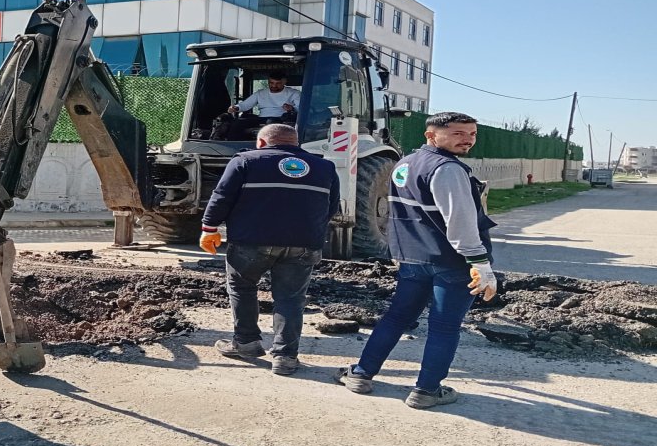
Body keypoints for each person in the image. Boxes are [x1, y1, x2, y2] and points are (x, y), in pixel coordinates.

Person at [336, 111, 499, 409]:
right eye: (458, 133)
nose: (467, 140)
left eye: (472, 134)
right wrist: (480, 263)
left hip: (413, 258)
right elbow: (460, 222)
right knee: (444, 327)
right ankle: (426, 391)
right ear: (431, 135)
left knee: (396, 317)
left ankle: (361, 374)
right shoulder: (448, 169)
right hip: (451, 262)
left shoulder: (405, 164)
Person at [199, 124, 339, 375]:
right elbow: (331, 207)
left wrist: (209, 228)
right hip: (304, 244)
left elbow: (222, 196)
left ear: (262, 143)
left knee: (242, 287)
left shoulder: (245, 161)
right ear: (295, 143)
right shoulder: (324, 167)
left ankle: (246, 343)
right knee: (291, 298)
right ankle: (285, 357)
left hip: (251, 242)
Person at [210, 71, 301, 140]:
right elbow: (246, 104)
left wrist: (292, 108)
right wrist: (237, 108)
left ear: (284, 82)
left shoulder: (294, 93)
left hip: (281, 118)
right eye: (271, 83)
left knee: (271, 123)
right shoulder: (261, 93)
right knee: (237, 123)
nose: (274, 86)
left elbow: (302, 109)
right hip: (262, 118)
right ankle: (233, 146)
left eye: (278, 83)